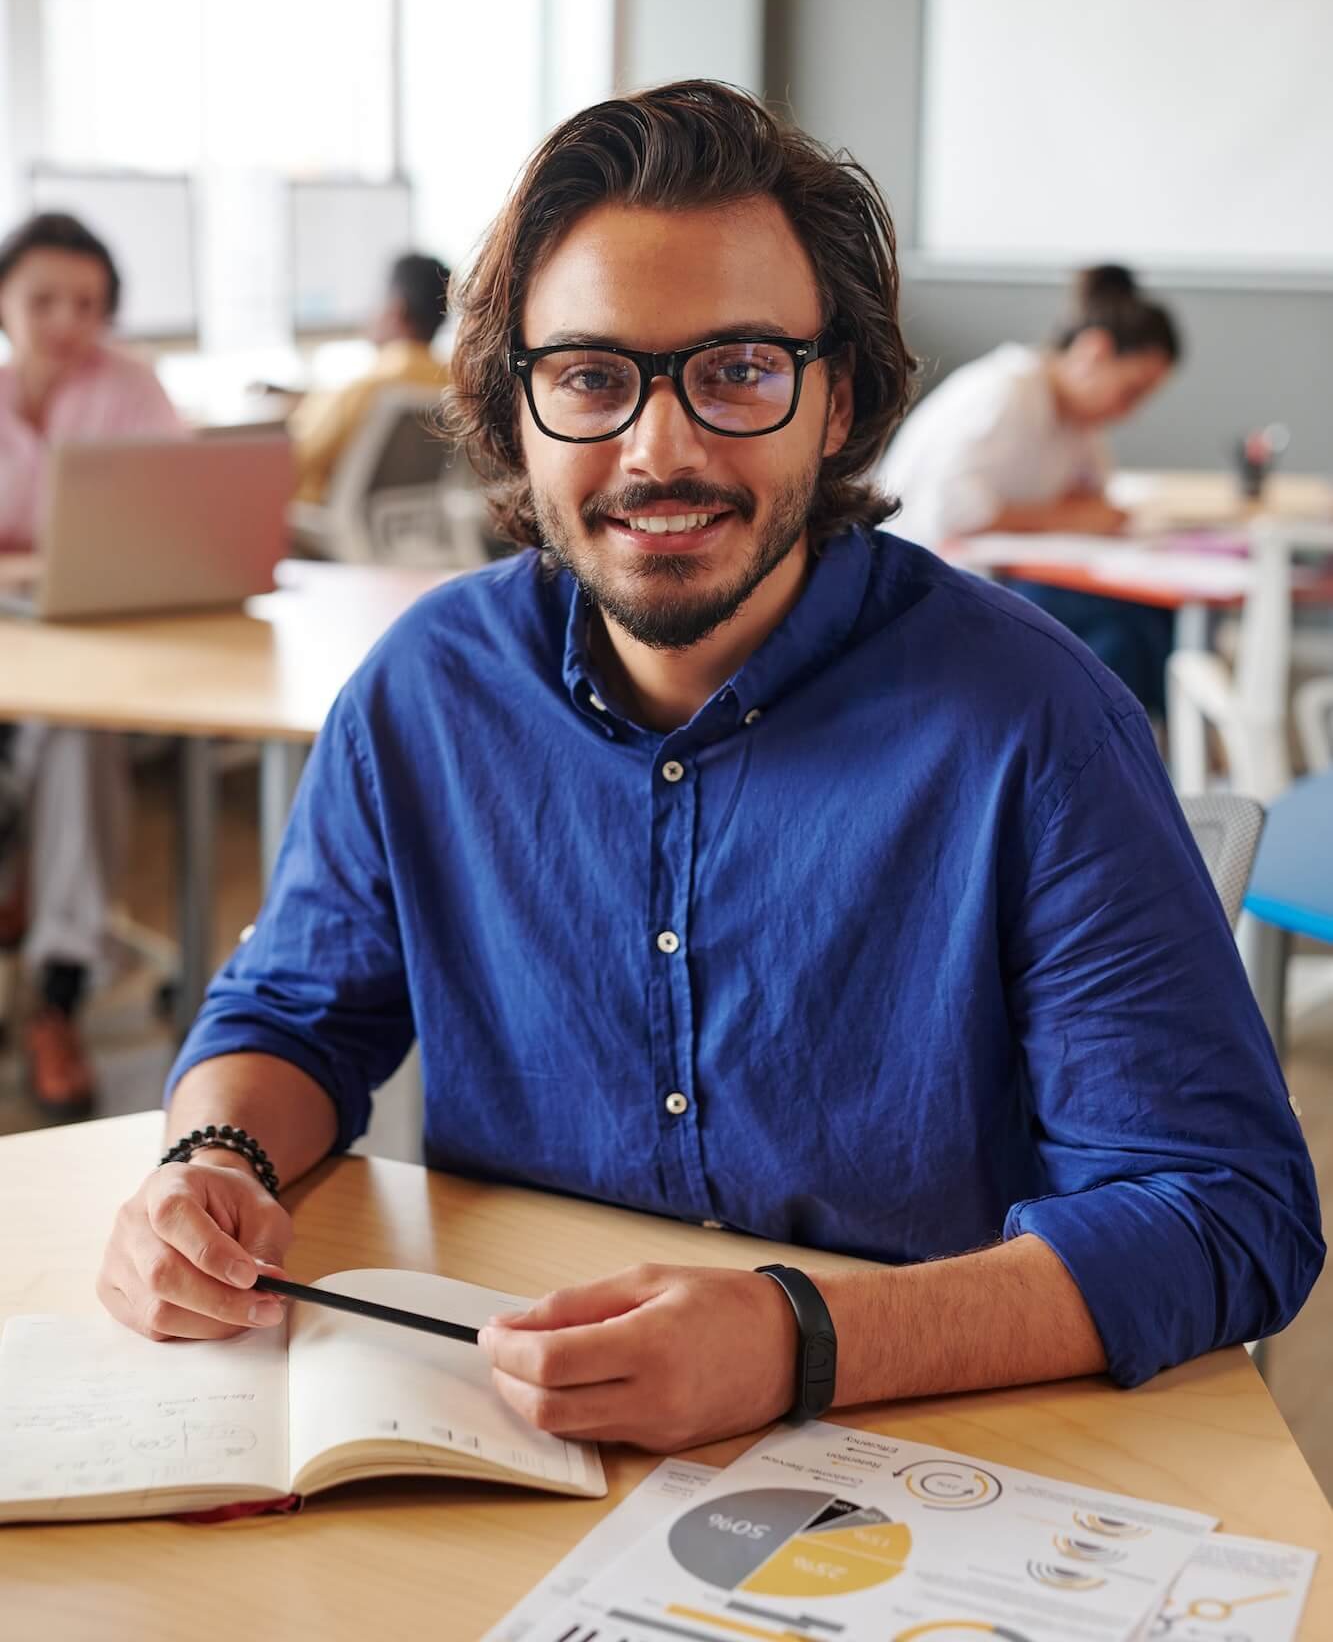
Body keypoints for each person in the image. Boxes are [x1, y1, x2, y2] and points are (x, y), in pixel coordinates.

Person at [98, 84, 1319, 1453]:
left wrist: (800, 1338)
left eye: (738, 370)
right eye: (591, 377)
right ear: (521, 406)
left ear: (834, 396)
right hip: (513, 1432)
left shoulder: (1032, 724)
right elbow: (293, 1016)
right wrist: (214, 1161)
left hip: (935, 1446)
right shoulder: (425, 693)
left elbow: (1222, 1211)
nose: (658, 448)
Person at [0, 211, 184, 1117]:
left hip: (88, 649)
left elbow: (174, 517)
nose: (67, 321)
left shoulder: (131, 387)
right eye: (43, 300)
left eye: (88, 303)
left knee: (70, 733)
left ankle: (57, 994)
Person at [876, 268, 1182, 711]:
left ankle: (1143, 757)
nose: (1128, 411)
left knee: (1142, 627)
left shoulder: (1076, 420)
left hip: (991, 575)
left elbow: (1097, 498)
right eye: (1130, 391)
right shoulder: (1006, 392)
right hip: (923, 582)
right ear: (1093, 352)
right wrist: (1069, 517)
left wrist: (1082, 511)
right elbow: (952, 511)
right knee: (1123, 631)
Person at [287, 251, 450, 505]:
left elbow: (298, 458)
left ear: (396, 309)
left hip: (322, 523)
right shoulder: (453, 382)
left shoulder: (370, 387)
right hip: (402, 524)